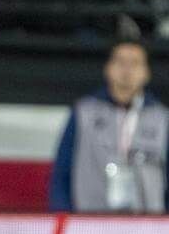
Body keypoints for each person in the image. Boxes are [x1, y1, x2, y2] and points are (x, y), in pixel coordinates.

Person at [49, 40, 168, 213]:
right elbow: (62, 171)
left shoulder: (162, 118)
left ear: (146, 72)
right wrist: (62, 216)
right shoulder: (84, 112)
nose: (127, 70)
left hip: (147, 224)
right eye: (120, 62)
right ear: (108, 68)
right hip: (90, 221)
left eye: (135, 63)